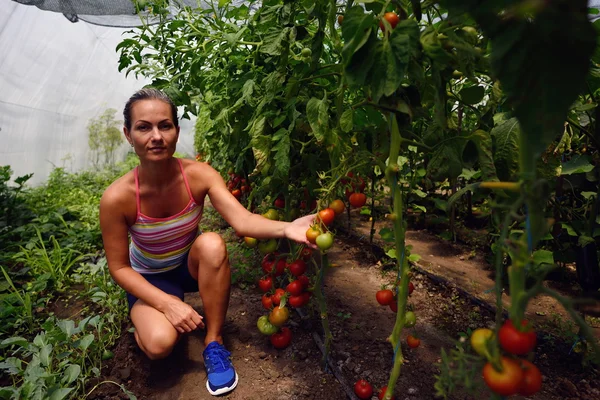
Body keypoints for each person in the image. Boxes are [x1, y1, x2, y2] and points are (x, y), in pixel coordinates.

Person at [99, 88, 315, 396]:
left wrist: (287, 228)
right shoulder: (116, 198)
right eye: (143, 127)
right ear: (128, 134)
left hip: (189, 265)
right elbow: (119, 268)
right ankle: (146, 323)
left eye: (165, 125)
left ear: (176, 130)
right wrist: (166, 303)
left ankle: (214, 342)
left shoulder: (198, 176)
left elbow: (242, 221)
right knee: (159, 345)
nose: (156, 136)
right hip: (148, 277)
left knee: (212, 243)